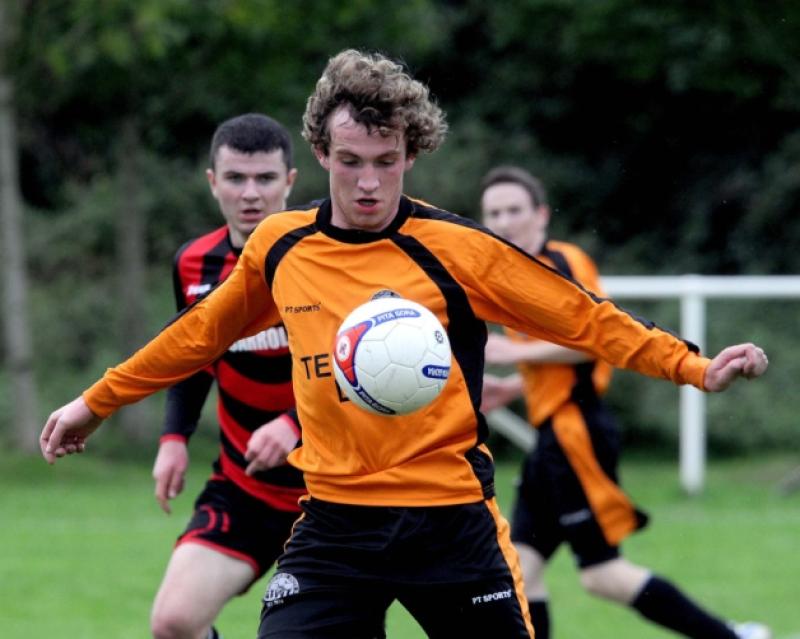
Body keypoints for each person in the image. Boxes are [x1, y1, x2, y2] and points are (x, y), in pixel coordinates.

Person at [40, 49, 769, 639]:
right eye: (350, 160)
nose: (368, 182)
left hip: (451, 521)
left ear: (410, 154)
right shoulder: (281, 246)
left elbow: (582, 317)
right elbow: (196, 335)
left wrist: (693, 366)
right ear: (319, 152)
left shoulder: (457, 249)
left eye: (385, 160)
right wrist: (96, 403)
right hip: (334, 525)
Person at [479, 165, 772, 639]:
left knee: (602, 574)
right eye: (494, 214)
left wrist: (515, 354)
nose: (504, 222)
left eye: (514, 210)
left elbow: (596, 340)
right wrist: (514, 386)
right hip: (551, 436)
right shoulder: (507, 275)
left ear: (542, 215)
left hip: (576, 432)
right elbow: (557, 364)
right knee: (522, 570)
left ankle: (733, 636)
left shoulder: (564, 263)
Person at [151, 113, 303, 639]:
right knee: (174, 622)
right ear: (213, 182)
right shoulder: (193, 263)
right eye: (236, 178)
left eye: (265, 178)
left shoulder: (325, 255)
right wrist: (174, 438)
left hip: (332, 492)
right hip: (245, 486)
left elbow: (356, 369)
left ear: (290, 181)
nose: (251, 193)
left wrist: (294, 424)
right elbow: (192, 354)